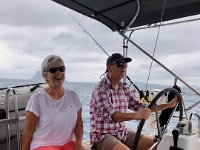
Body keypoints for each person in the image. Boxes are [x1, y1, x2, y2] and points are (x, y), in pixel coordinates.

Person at [90, 53, 179, 150]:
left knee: (159, 146)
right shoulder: (100, 89)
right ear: (109, 67)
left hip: (122, 133)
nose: (123, 67)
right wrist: (134, 115)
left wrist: (169, 105)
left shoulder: (123, 89)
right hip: (102, 136)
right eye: (119, 64)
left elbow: (143, 107)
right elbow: (112, 115)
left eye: (125, 65)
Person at [22, 55, 84, 150]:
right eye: (53, 70)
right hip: (43, 145)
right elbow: (28, 130)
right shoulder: (37, 99)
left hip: (68, 143)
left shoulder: (73, 96)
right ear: (45, 75)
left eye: (61, 69)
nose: (58, 72)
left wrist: (79, 144)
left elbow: (79, 124)